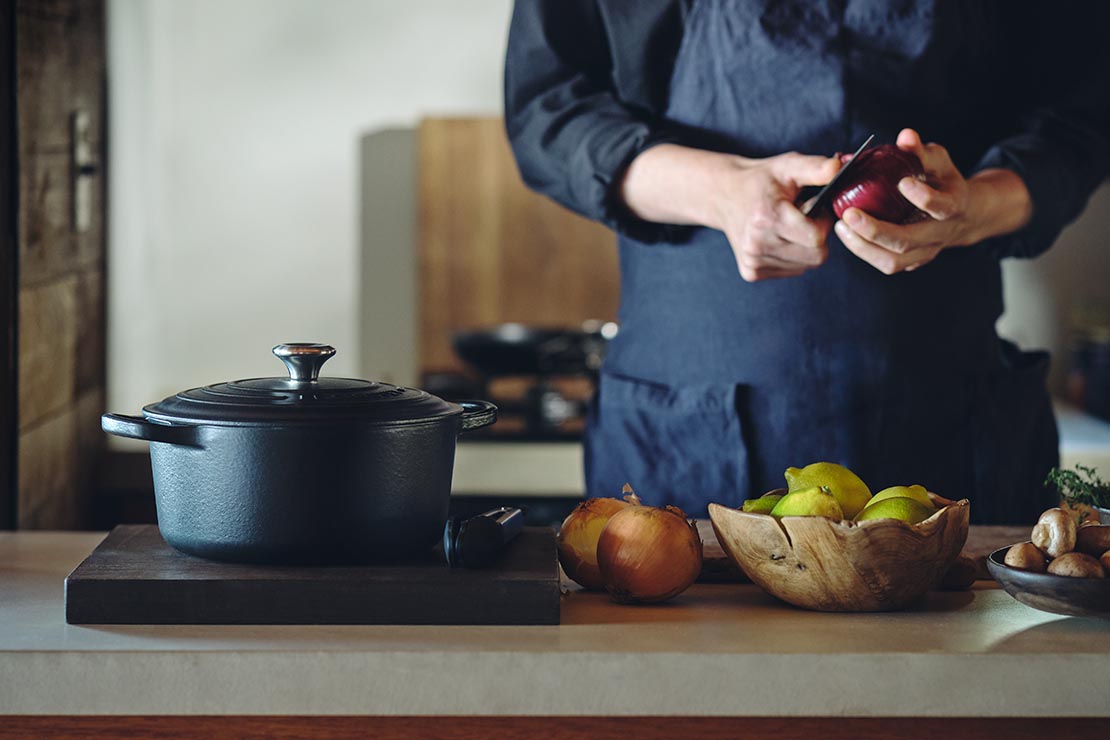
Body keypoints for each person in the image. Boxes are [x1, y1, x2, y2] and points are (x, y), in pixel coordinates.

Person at [503, 0, 1110, 524]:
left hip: (951, 412)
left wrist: (975, 207)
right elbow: (547, 106)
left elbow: (1083, 111)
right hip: (688, 425)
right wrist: (718, 189)